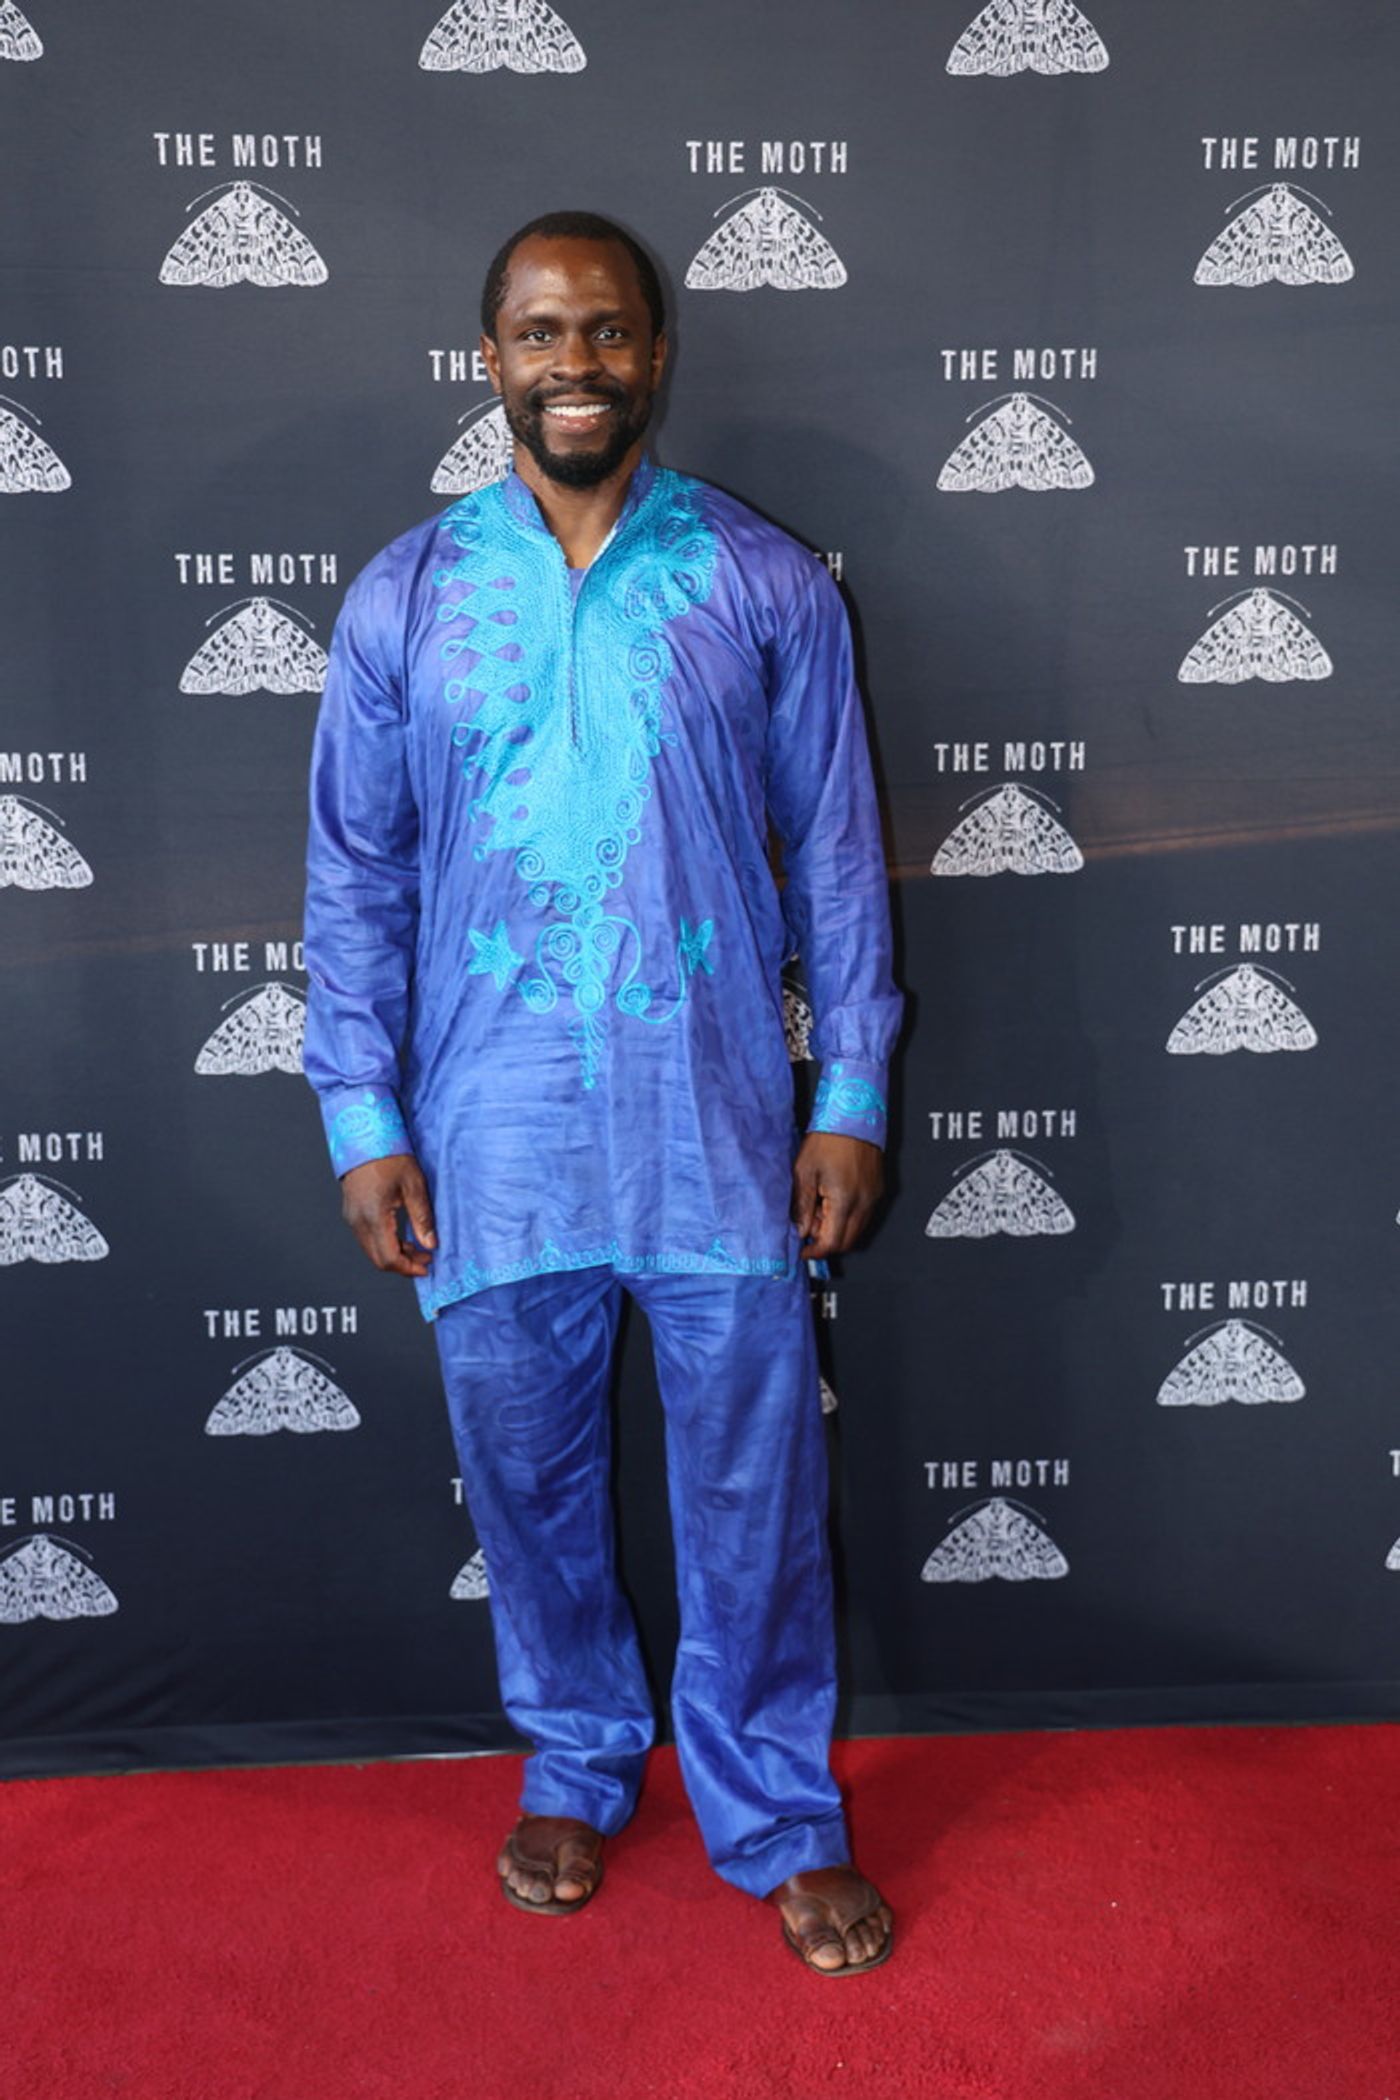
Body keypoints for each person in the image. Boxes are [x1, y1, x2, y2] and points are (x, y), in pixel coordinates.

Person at [302, 212, 902, 1975]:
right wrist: (365, 1117)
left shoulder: (764, 580)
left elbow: (845, 864)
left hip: (713, 1117)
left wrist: (849, 1088)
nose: (578, 362)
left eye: (611, 331)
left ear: (661, 354)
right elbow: (355, 878)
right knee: (527, 1477)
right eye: (541, 331)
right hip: (490, 1138)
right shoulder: (403, 596)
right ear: (489, 357)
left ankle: (778, 1811)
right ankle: (573, 1757)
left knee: (751, 1491)